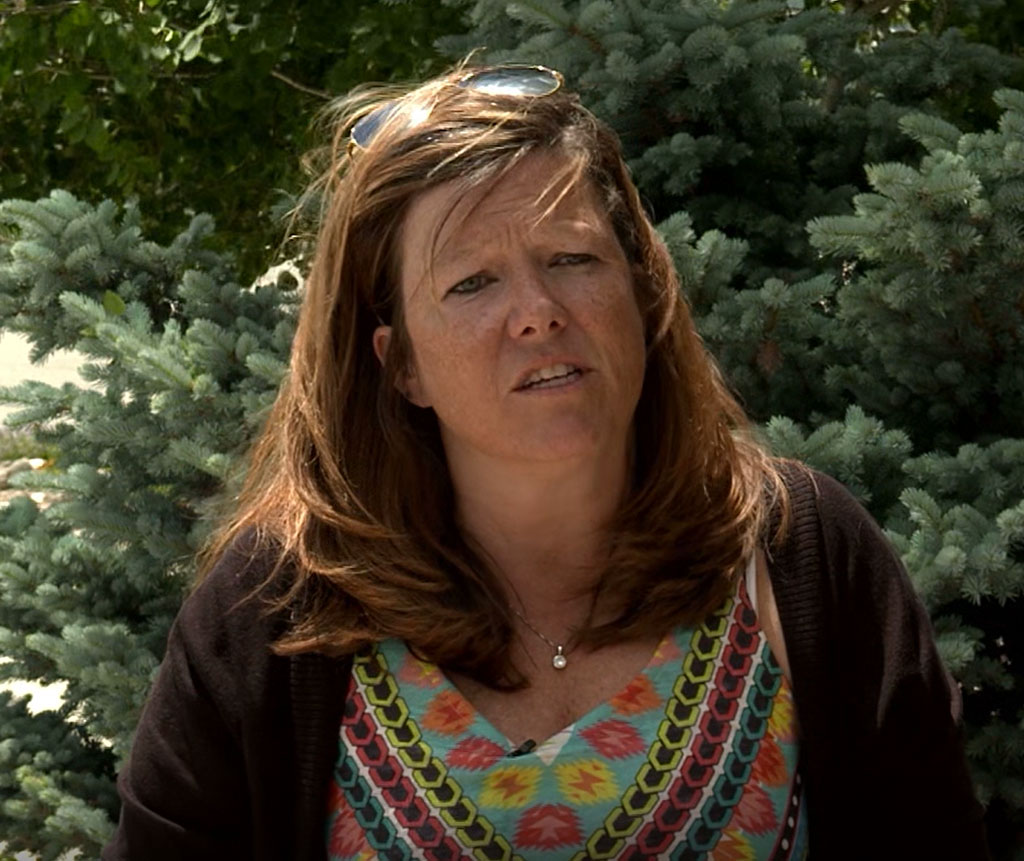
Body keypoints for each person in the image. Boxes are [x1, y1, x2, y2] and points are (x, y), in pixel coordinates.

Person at [103, 65, 988, 860]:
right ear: (400, 364)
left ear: (641, 292)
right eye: (472, 282)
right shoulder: (279, 607)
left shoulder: (798, 554)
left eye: (572, 258)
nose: (536, 310)